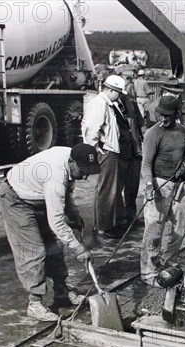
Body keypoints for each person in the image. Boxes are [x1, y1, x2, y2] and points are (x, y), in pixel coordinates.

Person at [0, 144, 100, 322]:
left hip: (37, 198)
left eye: (89, 171)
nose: (84, 176)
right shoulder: (55, 177)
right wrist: (79, 248)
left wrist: (74, 214)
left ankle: (61, 291)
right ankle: (35, 303)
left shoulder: (72, 159)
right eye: (82, 170)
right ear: (71, 162)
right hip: (16, 200)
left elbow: (66, 194)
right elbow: (57, 222)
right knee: (34, 251)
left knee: (54, 246)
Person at [140, 96, 185, 286]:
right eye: (162, 115)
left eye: (168, 115)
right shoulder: (153, 133)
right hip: (158, 184)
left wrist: (183, 168)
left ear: (176, 113)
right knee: (154, 231)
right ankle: (148, 272)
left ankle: (168, 263)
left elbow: (183, 156)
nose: (164, 119)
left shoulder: (182, 131)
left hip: (178, 186)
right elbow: (146, 164)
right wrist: (149, 185)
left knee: (180, 228)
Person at [81, 74, 127, 239]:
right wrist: (95, 149)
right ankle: (104, 227)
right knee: (107, 190)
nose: (119, 96)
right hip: (107, 151)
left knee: (104, 188)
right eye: (119, 92)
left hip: (107, 150)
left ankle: (101, 224)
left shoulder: (104, 103)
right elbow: (92, 129)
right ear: (112, 90)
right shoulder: (101, 104)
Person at [114, 77, 145, 227]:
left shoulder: (131, 104)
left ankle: (131, 216)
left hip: (134, 151)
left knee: (132, 186)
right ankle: (119, 219)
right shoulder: (109, 106)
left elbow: (140, 124)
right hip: (119, 152)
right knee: (117, 187)